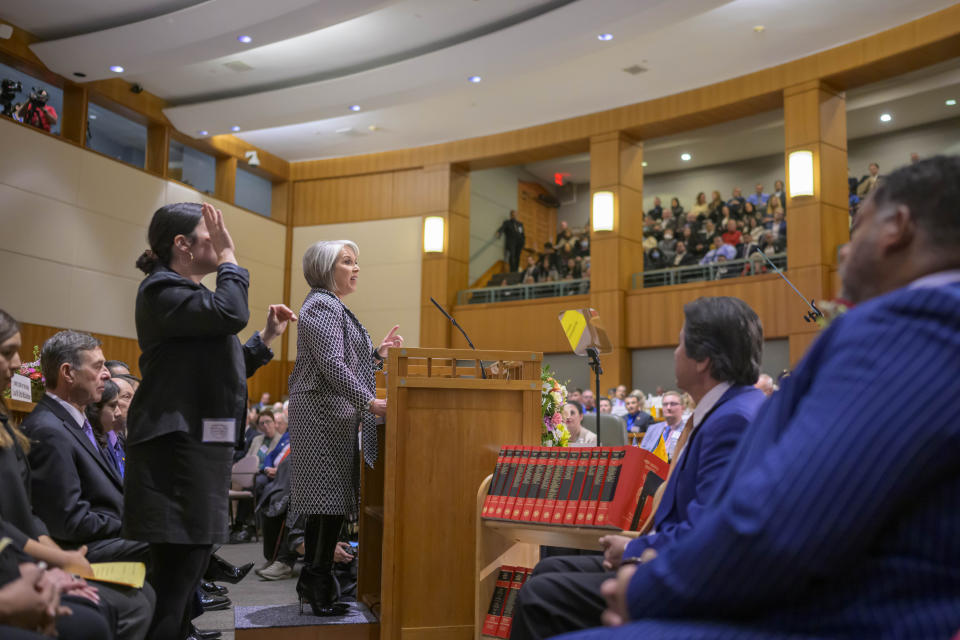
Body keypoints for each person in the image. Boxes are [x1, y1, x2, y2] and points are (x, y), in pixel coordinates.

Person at [563, 155, 960, 640]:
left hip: (839, 617)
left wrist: (650, 588)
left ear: (896, 226)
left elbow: (790, 518)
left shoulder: (915, 326)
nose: (842, 251)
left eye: (856, 230)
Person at [511, 296, 767, 640]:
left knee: (539, 596)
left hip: (693, 581)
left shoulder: (732, 421)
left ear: (703, 360)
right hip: (675, 556)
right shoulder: (731, 408)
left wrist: (633, 551)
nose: (674, 353)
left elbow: (706, 531)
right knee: (547, 567)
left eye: (679, 343)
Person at [123, 202, 294, 640]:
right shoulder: (161, 289)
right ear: (182, 245)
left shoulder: (191, 296)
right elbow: (231, 313)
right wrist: (231, 259)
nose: (217, 242)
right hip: (176, 452)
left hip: (196, 448)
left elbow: (224, 363)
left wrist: (265, 340)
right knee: (175, 576)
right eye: (209, 235)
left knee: (190, 568)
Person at [288, 239, 402, 616]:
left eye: (357, 262)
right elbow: (333, 366)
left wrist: (375, 356)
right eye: (347, 262)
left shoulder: (333, 306)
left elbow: (343, 362)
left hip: (332, 416)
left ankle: (316, 581)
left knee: (331, 503)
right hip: (320, 416)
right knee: (325, 503)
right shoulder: (321, 304)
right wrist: (370, 401)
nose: (356, 268)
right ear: (325, 268)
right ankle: (316, 582)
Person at [0, 310, 117, 639]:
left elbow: (26, 514)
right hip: (21, 557)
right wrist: (49, 564)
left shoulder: (8, 424)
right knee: (94, 618)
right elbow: (62, 518)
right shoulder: (48, 429)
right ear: (68, 373)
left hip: (28, 552)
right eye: (8, 352)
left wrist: (55, 562)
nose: (19, 363)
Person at [637, 390, 686, 459]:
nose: (668, 407)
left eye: (673, 404)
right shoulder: (653, 428)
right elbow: (642, 452)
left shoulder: (687, 430)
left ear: (683, 407)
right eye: (665, 404)